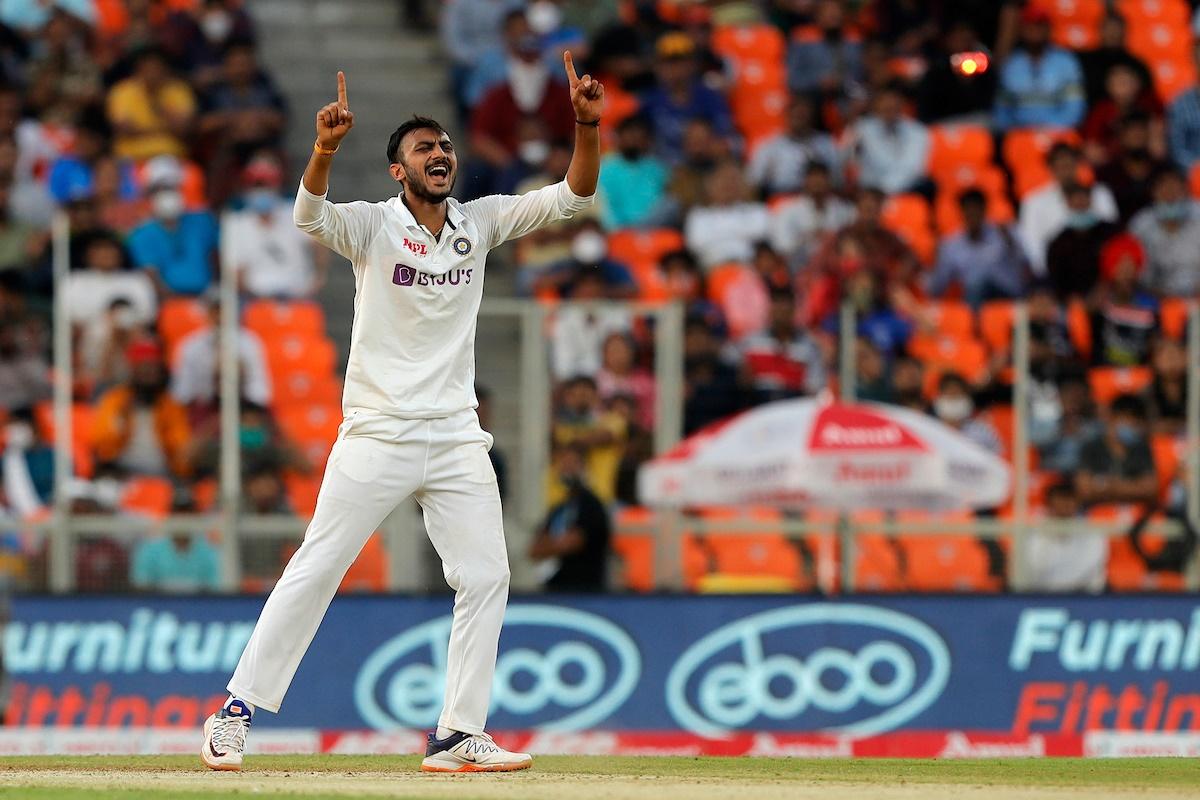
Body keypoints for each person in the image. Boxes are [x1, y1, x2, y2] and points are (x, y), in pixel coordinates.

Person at [202, 57, 603, 773]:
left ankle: (457, 734)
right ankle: (236, 710)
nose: (441, 154)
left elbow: (574, 196)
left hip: (454, 437)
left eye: (446, 145)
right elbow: (307, 215)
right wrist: (324, 150)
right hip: (377, 433)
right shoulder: (371, 229)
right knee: (318, 567)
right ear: (397, 171)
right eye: (424, 148)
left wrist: (586, 123)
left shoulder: (478, 224)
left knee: (486, 577)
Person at [224, 155, 324, 299]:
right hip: (257, 299)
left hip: (296, 296)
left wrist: (318, 277)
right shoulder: (238, 223)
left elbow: (319, 241)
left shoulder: (294, 213)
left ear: (276, 185)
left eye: (266, 184)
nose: (261, 191)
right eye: (257, 185)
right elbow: (236, 272)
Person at [126, 156, 220, 295]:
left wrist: (214, 292)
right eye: (159, 189)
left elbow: (216, 258)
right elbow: (150, 274)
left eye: (171, 188)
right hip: (169, 300)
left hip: (207, 295)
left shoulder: (203, 221)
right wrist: (174, 302)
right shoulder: (142, 233)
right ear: (149, 194)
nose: (167, 193)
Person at [1018, 144, 1118, 275]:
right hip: (1056, 273)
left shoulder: (1100, 194)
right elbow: (1032, 246)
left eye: (1069, 166)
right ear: (1050, 169)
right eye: (1061, 167)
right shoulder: (1033, 202)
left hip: (1099, 270)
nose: (1066, 172)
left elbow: (1112, 236)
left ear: (1078, 165)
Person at [528, 441, 610, 592]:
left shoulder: (591, 504)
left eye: (572, 464)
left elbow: (573, 542)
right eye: (563, 464)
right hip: (554, 589)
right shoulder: (559, 508)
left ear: (584, 467)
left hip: (585, 591)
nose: (567, 470)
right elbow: (534, 549)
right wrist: (556, 543)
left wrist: (552, 544)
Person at [170, 291, 272, 409]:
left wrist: (239, 377)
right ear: (207, 313)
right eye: (215, 311)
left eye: (224, 311)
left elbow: (260, 391)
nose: (220, 317)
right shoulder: (191, 345)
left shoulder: (249, 342)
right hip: (204, 411)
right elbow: (182, 393)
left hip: (242, 409)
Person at [993, 5, 1086, 131]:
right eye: (1030, 25)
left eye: (1039, 25)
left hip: (1058, 135)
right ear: (1022, 29)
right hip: (1018, 136)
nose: (1035, 30)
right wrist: (1014, 133)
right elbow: (1002, 111)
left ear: (1048, 28)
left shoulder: (1066, 61)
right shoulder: (1011, 64)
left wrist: (1049, 130)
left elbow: (1074, 109)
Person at [929, 188, 1025, 306]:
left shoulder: (1003, 233)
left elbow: (1024, 263)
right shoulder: (951, 246)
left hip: (1008, 295)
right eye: (968, 210)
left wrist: (1011, 243)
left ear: (984, 210)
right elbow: (937, 287)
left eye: (976, 210)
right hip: (974, 300)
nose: (972, 215)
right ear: (961, 212)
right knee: (975, 286)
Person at [844, 83, 930, 196]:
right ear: (876, 104)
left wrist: (889, 189)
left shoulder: (918, 131)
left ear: (902, 103)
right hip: (870, 193)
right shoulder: (861, 129)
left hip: (908, 191)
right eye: (885, 100)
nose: (889, 105)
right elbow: (846, 159)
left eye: (894, 100)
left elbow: (916, 168)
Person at [1022, 479, 1107, 593]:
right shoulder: (1034, 533)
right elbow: (1032, 570)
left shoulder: (1092, 534)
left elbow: (1093, 574)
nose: (1065, 505)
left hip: (1081, 597)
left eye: (1070, 500)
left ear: (1077, 503)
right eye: (1061, 500)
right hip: (1040, 595)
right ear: (1049, 504)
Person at [746, 94, 838, 198]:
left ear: (812, 117)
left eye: (804, 116)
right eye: (796, 115)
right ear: (787, 116)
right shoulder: (769, 146)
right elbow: (754, 183)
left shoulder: (825, 144)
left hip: (818, 198)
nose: (800, 121)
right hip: (781, 198)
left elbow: (836, 180)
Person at [1128, 167, 1200, 298]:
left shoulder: (1198, 213)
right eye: (1164, 191)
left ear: (1186, 191)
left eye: (1175, 190)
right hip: (1156, 298)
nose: (1170, 196)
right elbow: (1137, 274)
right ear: (1153, 193)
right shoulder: (1141, 224)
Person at [1077, 393, 1158, 507]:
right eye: (1126, 419)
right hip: (1097, 515)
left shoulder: (1141, 449)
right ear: (1111, 418)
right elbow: (1084, 490)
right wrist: (1132, 488)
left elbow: (1150, 489)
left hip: (1134, 514)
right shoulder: (1091, 447)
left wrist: (1108, 486)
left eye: (1135, 422)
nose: (1131, 425)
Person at [768, 161, 855, 267]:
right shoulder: (788, 210)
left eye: (822, 177)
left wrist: (830, 238)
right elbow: (781, 246)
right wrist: (809, 237)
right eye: (812, 177)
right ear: (804, 181)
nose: (817, 181)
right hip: (801, 266)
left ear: (829, 180)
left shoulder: (844, 210)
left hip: (835, 265)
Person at [596, 114, 669, 229]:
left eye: (638, 136)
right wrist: (618, 230)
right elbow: (604, 206)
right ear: (619, 137)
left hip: (653, 229)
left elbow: (662, 205)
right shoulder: (606, 168)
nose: (633, 140)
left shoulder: (655, 169)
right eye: (629, 135)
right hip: (616, 231)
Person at [131, 530, 221, 593]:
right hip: (158, 604)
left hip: (199, 605)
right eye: (178, 514)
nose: (182, 519)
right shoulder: (150, 550)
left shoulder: (208, 551)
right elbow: (141, 585)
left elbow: (215, 586)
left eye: (187, 515)